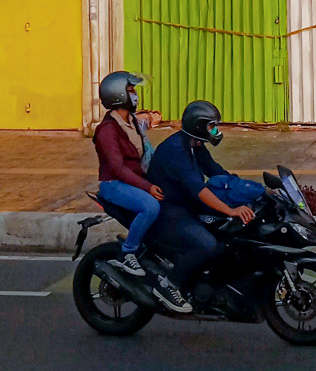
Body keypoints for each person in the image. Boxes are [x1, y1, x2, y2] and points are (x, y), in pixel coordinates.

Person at [91, 72, 190, 314]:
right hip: (114, 184)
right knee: (150, 206)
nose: (135, 95)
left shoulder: (132, 122)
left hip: (134, 181)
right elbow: (117, 168)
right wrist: (146, 187)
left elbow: (147, 142)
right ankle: (128, 253)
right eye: (131, 91)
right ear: (118, 96)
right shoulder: (107, 130)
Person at [146, 100, 266, 292]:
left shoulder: (195, 145)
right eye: (211, 126)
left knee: (228, 233)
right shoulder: (176, 150)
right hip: (169, 212)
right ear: (198, 126)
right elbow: (199, 190)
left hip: (187, 205)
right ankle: (169, 286)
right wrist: (230, 209)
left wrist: (250, 192)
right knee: (207, 244)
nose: (214, 130)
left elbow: (216, 172)